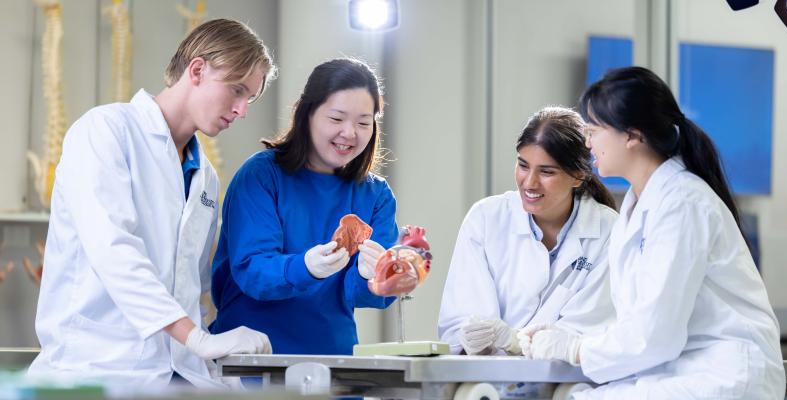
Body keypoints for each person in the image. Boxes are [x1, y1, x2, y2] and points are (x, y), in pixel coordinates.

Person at [28, 19, 277, 390]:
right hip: (96, 370)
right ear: (197, 69)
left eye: (249, 99)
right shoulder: (105, 131)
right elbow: (114, 250)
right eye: (237, 91)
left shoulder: (205, 177)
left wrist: (213, 351)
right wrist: (196, 339)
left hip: (175, 375)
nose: (242, 110)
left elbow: (191, 284)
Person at [521, 67, 785, 399]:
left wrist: (576, 348)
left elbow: (655, 334)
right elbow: (641, 324)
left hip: (722, 374)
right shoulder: (637, 207)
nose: (587, 143)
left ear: (632, 136)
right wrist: (569, 337)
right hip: (677, 370)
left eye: (594, 131)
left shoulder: (683, 203)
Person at [210, 58, 397, 355]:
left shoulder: (375, 194)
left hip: (334, 360)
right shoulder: (262, 176)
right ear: (307, 114)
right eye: (336, 119)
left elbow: (368, 295)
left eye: (363, 123)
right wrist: (304, 267)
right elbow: (252, 270)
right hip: (253, 358)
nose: (350, 133)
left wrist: (375, 275)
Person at [437, 106, 618, 356]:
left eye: (546, 172)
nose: (530, 182)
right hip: (487, 381)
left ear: (578, 176)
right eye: (523, 166)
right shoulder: (486, 219)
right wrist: (470, 336)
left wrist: (514, 341)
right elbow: (460, 322)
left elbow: (584, 335)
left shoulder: (609, 231)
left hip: (565, 387)